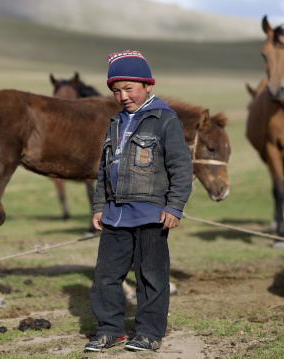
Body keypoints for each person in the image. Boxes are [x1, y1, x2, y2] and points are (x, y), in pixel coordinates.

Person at [85, 50, 193, 352]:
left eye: (128, 88)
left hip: (151, 215)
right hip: (115, 214)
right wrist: (98, 206)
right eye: (116, 90)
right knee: (105, 276)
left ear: (147, 85)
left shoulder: (165, 121)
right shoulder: (115, 123)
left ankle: (149, 332)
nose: (122, 96)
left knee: (151, 276)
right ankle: (110, 330)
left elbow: (181, 167)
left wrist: (174, 206)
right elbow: (104, 169)